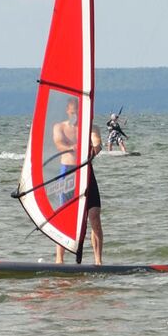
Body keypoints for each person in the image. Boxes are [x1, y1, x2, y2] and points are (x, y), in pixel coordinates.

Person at [50, 100, 103, 264]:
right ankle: (59, 260)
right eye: (73, 112)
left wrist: (95, 146)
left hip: (86, 172)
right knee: (65, 216)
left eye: (78, 112)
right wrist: (73, 146)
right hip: (68, 172)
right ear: (67, 111)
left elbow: (97, 142)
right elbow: (59, 143)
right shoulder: (59, 127)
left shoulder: (91, 127)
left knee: (94, 215)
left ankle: (98, 261)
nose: (75, 115)